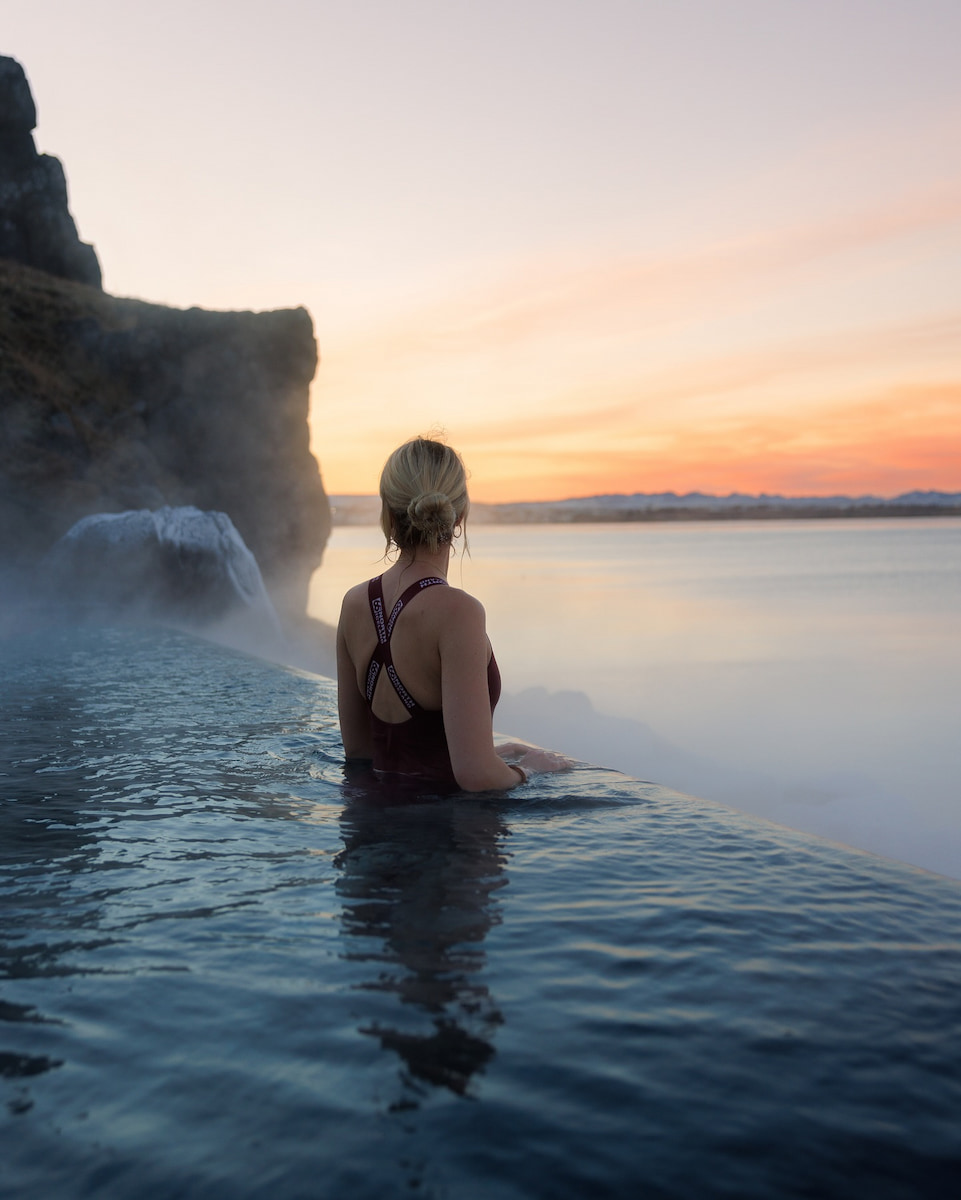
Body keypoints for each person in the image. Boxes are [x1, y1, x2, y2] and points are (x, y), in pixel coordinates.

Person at [337, 436, 573, 791]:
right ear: (460, 513)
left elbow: (359, 752)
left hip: (368, 835)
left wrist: (483, 751)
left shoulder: (354, 603)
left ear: (387, 514)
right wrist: (533, 769)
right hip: (449, 839)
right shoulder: (458, 612)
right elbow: (476, 776)